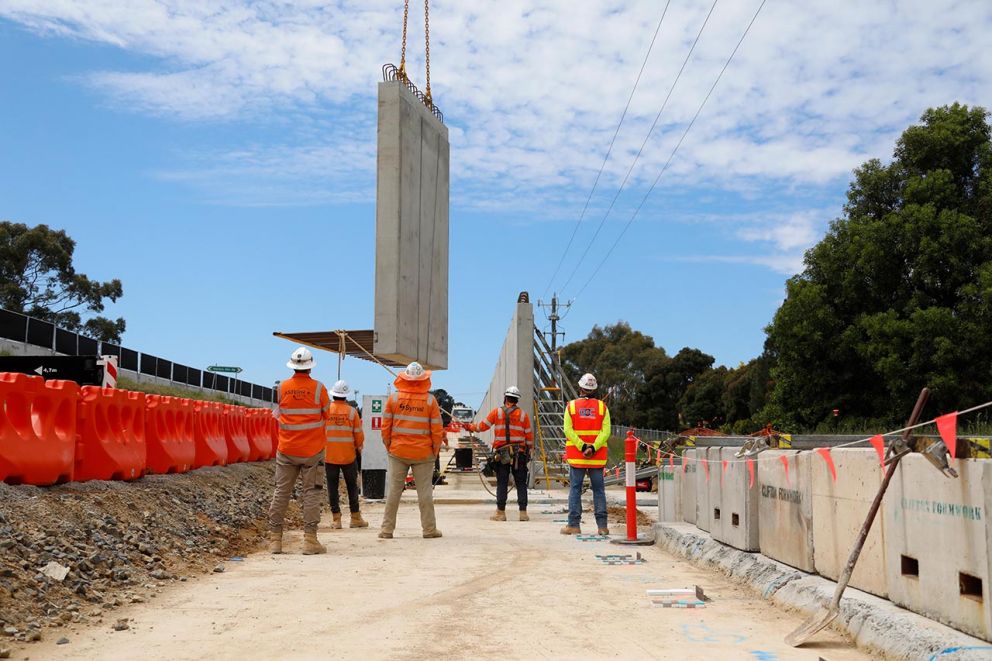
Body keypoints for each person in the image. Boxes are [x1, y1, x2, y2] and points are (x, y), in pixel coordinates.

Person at [268, 347, 331, 555]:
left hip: (286, 448)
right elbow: (326, 415)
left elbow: (280, 411)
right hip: (312, 450)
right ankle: (310, 540)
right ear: (310, 366)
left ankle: (275, 540)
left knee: (281, 491)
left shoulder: (282, 387)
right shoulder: (319, 389)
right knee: (311, 492)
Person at [379, 362, 445, 539]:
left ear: (405, 378)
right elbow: (437, 431)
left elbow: (385, 428)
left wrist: (390, 447)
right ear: (423, 379)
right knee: (425, 493)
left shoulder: (393, 399)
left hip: (398, 452)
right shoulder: (430, 401)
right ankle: (429, 529)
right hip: (423, 454)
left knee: (394, 491)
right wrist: (434, 451)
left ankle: (386, 530)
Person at [467, 386, 533, 521]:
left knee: (502, 482)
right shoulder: (523, 415)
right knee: (521, 483)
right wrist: (529, 451)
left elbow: (482, 426)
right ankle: (523, 513)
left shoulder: (497, 413)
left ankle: (501, 513)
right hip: (519, 454)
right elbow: (529, 437)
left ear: (505, 398)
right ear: (517, 400)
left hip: (502, 455)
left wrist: (470, 427)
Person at [560, 373, 611, 536]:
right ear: (595, 389)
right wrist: (593, 447)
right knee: (599, 490)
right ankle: (602, 527)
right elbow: (606, 431)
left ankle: (574, 525)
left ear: (580, 388)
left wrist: (582, 446)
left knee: (575, 489)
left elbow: (568, 430)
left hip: (577, 457)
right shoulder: (603, 407)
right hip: (596, 457)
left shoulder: (571, 406)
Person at [324, 379, 368, 529]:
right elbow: (359, 435)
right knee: (352, 486)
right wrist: (357, 447)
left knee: (332, 487)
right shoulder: (352, 412)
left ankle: (336, 519)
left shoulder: (327, 410)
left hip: (329, 455)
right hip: (349, 455)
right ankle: (355, 517)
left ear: (333, 394)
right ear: (346, 395)